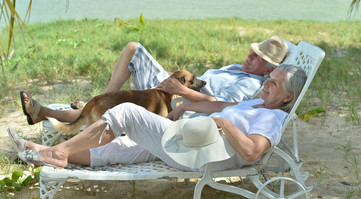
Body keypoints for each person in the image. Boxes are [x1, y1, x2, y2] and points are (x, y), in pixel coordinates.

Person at [9, 64, 307, 172]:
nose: (266, 83)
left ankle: (59, 152)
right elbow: (220, 106)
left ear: (288, 98)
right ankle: (41, 152)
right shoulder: (259, 103)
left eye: (274, 83)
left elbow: (252, 152)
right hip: (188, 139)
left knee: (125, 113)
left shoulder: (272, 119)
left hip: (198, 153)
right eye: (268, 77)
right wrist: (185, 106)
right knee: (120, 149)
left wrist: (225, 124)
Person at [20, 36, 289, 125]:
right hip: (177, 91)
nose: (250, 57)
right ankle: (97, 101)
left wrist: (179, 90)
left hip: (183, 107)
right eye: (253, 51)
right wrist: (178, 82)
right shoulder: (238, 68)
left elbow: (222, 105)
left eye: (257, 57)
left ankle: (44, 113)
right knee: (133, 48)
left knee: (134, 51)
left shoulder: (252, 84)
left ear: (268, 70)